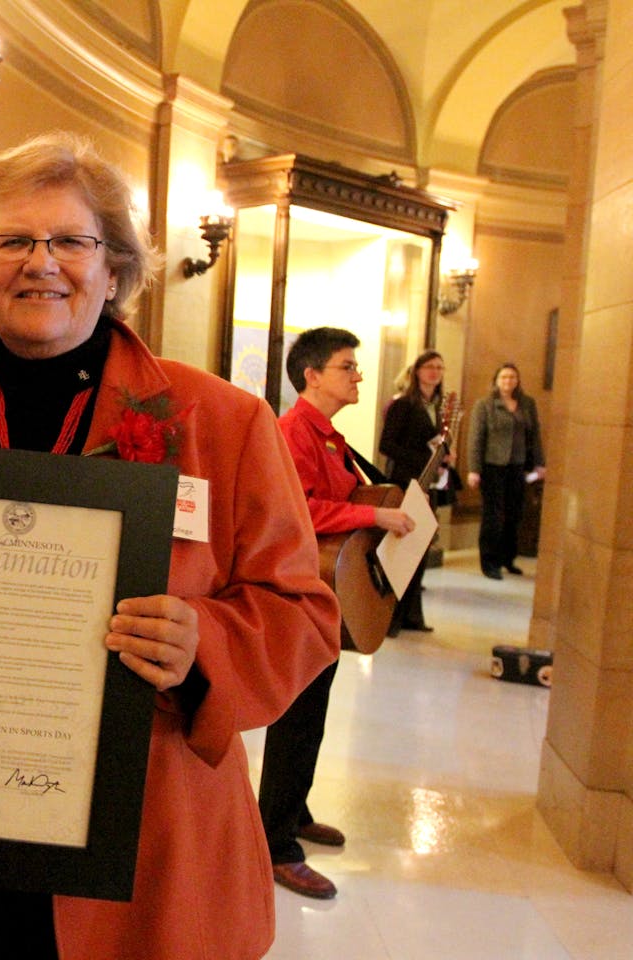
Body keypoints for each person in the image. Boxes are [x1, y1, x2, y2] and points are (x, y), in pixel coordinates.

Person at [0, 133, 341, 960]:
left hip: (149, 837)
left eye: (71, 241)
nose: (41, 263)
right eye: (12, 241)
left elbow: (305, 615)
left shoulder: (222, 421)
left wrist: (205, 642)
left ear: (116, 269)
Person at [259, 327, 416, 901]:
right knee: (295, 718)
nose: (358, 376)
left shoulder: (330, 438)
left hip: (327, 593)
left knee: (315, 713)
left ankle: (294, 811)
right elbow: (296, 509)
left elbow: (352, 499)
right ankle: (274, 843)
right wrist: (373, 520)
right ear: (313, 376)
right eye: (347, 366)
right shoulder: (291, 432)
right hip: (298, 593)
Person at [378, 350, 458, 633]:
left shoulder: (436, 407)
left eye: (440, 367)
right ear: (417, 371)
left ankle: (413, 616)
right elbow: (387, 445)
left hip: (429, 485)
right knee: (403, 550)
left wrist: (445, 457)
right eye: (429, 367)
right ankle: (391, 618)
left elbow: (435, 443)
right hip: (405, 482)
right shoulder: (404, 404)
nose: (435, 372)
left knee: (420, 549)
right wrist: (424, 459)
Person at [466, 362, 545, 579]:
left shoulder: (527, 404)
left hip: (517, 466)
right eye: (504, 377)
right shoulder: (485, 405)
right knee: (493, 516)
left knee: (514, 514)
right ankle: (490, 562)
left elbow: (535, 435)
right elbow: (476, 439)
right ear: (496, 381)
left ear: (517, 380)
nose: (508, 381)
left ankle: (507, 558)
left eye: (512, 377)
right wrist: (474, 469)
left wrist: (539, 463)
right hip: (493, 466)